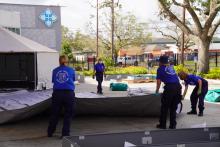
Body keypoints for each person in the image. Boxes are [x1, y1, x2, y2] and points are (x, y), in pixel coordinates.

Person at [47, 55, 76, 137]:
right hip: (69, 93)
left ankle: (50, 132)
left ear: (59, 61)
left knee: (54, 113)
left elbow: (54, 81)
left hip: (57, 93)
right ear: (67, 61)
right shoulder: (71, 70)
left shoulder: (55, 70)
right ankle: (65, 134)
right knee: (68, 114)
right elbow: (73, 80)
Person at [155, 55, 181, 129]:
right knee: (173, 107)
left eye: (159, 61)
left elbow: (159, 82)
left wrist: (157, 91)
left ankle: (162, 125)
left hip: (170, 88)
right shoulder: (171, 67)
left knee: (165, 107)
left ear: (160, 62)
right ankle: (173, 125)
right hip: (178, 87)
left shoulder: (160, 69)